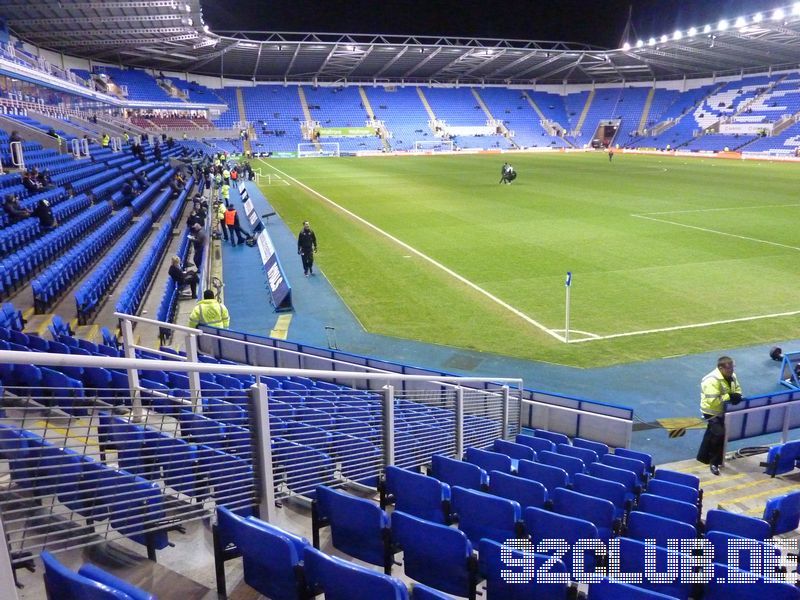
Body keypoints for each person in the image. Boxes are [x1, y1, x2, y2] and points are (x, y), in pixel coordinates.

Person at [696, 356, 743, 475]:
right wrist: (729, 397)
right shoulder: (711, 380)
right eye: (728, 369)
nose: (731, 371)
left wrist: (737, 394)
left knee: (711, 432)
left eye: (732, 368)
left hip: (723, 410)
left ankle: (702, 457)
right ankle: (714, 462)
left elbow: (737, 388)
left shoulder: (732, 376)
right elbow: (713, 401)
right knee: (719, 433)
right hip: (711, 412)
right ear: (720, 368)